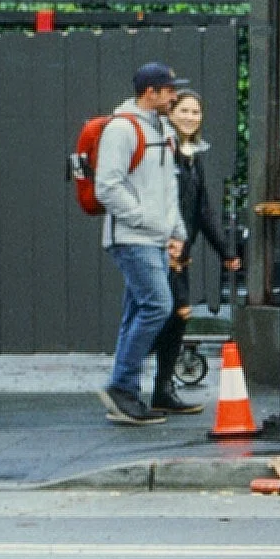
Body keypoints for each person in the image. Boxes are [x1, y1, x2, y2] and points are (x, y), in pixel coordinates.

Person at [95, 59, 187, 425]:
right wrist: (149, 220)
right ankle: (122, 386)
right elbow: (107, 185)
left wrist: (174, 229)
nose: (174, 96)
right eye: (168, 90)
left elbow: (167, 185)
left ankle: (125, 392)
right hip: (133, 237)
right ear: (150, 93)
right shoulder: (122, 129)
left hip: (151, 236)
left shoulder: (161, 128)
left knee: (138, 310)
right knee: (157, 306)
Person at [146, 85, 242, 417]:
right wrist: (167, 243)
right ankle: (136, 385)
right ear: (170, 114)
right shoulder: (163, 154)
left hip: (180, 253)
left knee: (172, 317)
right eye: (183, 111)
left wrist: (225, 252)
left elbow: (204, 210)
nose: (190, 117)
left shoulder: (192, 156)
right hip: (159, 250)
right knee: (167, 314)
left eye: (196, 112)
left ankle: (160, 389)